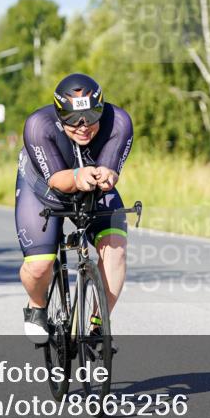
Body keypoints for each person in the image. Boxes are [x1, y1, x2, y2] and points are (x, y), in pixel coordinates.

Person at [15, 73, 133, 342]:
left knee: (116, 249)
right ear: (59, 116)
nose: (82, 126)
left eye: (91, 116)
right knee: (39, 267)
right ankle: (37, 306)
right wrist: (78, 175)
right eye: (71, 119)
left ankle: (97, 325)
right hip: (43, 191)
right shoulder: (38, 126)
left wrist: (108, 174)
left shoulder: (120, 122)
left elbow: (111, 168)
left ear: (101, 110)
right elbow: (57, 180)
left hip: (93, 188)